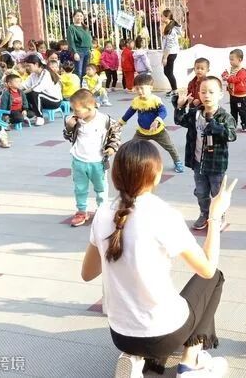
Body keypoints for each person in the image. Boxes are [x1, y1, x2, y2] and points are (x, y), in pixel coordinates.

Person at [81, 140, 235, 378]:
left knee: (164, 315)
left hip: (120, 335)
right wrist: (214, 216)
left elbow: (87, 273)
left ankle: (136, 360)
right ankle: (190, 362)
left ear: (115, 176)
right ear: (156, 175)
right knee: (214, 278)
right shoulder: (163, 215)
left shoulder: (103, 213)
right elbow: (207, 269)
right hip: (164, 333)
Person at [173, 76, 236, 230]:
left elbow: (231, 135)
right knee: (201, 192)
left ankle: (218, 216)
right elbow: (180, 121)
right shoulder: (195, 113)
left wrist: (215, 126)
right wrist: (180, 106)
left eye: (211, 92)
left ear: (220, 94)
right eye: (203, 92)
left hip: (216, 165)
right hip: (198, 163)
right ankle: (204, 213)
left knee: (216, 192)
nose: (207, 95)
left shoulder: (225, 117)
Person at [63, 89, 122, 227]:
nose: (74, 113)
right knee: (80, 188)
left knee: (101, 189)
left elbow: (116, 133)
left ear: (89, 107)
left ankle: (102, 210)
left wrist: (112, 147)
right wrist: (69, 127)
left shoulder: (105, 120)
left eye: (77, 110)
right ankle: (81, 211)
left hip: (98, 162)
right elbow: (68, 137)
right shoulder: (75, 120)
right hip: (78, 161)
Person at [120, 73, 184, 173]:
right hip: (142, 132)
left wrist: (157, 120)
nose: (139, 91)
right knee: (133, 146)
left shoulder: (155, 100)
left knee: (170, 147)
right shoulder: (136, 101)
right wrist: (121, 122)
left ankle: (177, 162)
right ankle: (131, 164)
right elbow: (130, 112)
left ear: (150, 88)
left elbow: (163, 112)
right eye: (137, 88)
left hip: (158, 131)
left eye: (142, 88)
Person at [22, 54, 63, 126]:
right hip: (43, 98)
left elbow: (36, 88)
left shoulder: (45, 73)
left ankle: (40, 117)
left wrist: (21, 93)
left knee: (34, 93)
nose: (27, 68)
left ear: (36, 64)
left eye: (29, 66)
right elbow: (24, 85)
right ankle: (30, 113)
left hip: (55, 101)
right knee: (24, 94)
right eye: (26, 66)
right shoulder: (33, 74)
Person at [221, 49, 246, 132]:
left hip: (240, 96)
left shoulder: (242, 70)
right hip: (232, 94)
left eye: (232, 59)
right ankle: (233, 124)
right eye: (230, 59)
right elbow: (226, 73)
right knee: (233, 110)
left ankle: (245, 124)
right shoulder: (231, 69)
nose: (230, 61)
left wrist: (228, 78)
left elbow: (238, 79)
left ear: (239, 60)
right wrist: (224, 75)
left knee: (242, 111)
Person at [161, 9, 182, 97]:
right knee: (168, 72)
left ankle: (175, 90)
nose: (161, 18)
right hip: (170, 52)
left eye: (162, 16)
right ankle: (173, 89)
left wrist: (165, 57)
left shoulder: (170, 29)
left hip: (171, 53)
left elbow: (169, 45)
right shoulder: (169, 26)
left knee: (168, 72)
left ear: (167, 17)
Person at [67, 9, 93, 78]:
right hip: (79, 52)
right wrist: (75, 53)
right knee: (78, 71)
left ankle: (83, 85)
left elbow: (89, 39)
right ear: (74, 17)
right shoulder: (71, 28)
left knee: (85, 72)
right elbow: (71, 41)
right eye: (77, 16)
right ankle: (78, 84)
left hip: (87, 51)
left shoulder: (85, 27)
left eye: (81, 16)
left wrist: (91, 49)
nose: (79, 17)